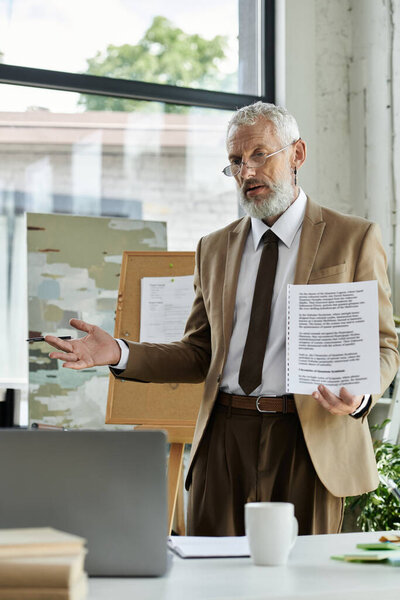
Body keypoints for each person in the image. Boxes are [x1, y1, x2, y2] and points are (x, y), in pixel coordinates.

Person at [46, 102, 399, 537]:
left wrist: (362, 393)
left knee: (302, 583)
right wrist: (118, 351)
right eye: (235, 161)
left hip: (309, 440)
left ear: (297, 154)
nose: (246, 172)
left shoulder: (353, 237)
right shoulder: (213, 248)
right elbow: (198, 353)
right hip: (224, 436)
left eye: (258, 155)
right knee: (214, 579)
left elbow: (383, 346)